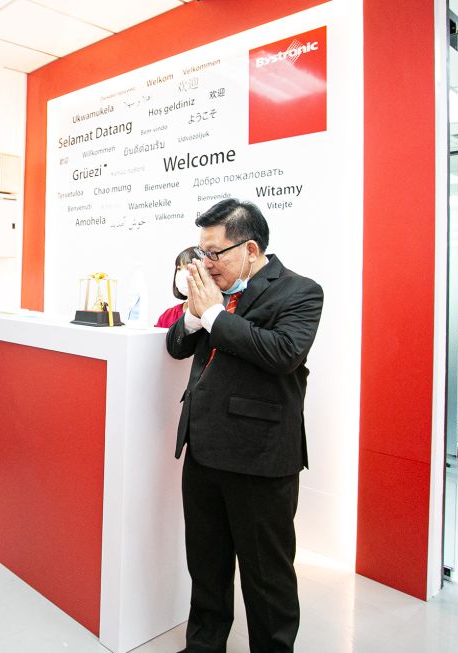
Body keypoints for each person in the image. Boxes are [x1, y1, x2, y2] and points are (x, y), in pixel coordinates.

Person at [166, 198, 323, 653]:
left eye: (215, 253)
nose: (206, 263)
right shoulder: (209, 293)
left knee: (266, 577)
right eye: (201, 252)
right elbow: (178, 348)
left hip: (260, 457)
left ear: (250, 248)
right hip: (202, 448)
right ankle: (204, 646)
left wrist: (215, 314)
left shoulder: (299, 291)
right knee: (207, 564)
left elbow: (282, 353)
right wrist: (194, 318)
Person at [155, 247, 199, 328]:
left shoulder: (210, 316)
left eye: (188, 268)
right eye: (179, 269)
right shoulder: (168, 316)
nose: (182, 274)